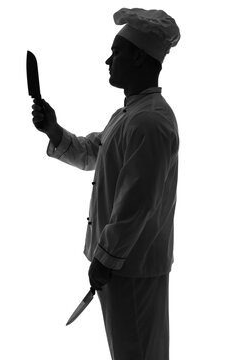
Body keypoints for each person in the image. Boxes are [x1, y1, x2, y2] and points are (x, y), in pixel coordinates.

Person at [31, 7, 180, 360]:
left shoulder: (150, 122)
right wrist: (53, 130)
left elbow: (136, 203)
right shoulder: (130, 115)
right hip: (124, 264)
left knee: (138, 353)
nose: (108, 60)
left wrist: (105, 259)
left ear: (140, 58)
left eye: (117, 51)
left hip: (130, 265)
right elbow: (91, 153)